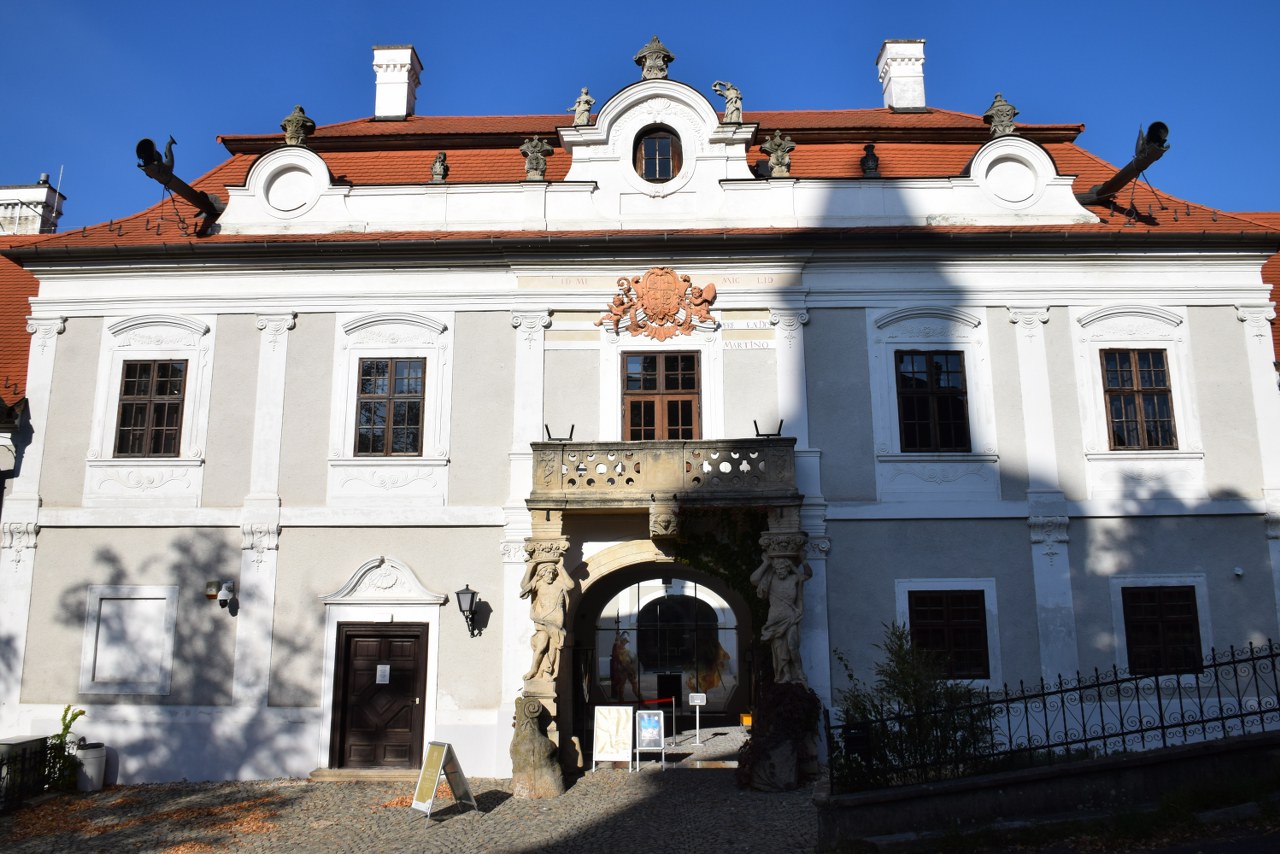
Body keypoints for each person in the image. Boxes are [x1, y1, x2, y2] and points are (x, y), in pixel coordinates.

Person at [750, 554, 812, 684]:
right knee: (779, 649)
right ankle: (786, 674)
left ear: (788, 568)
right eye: (777, 569)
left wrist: (802, 561)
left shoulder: (794, 578)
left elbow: (807, 575)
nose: (780, 572)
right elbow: (754, 580)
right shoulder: (770, 579)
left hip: (790, 617)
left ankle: (799, 672)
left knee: (792, 645)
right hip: (775, 619)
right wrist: (766, 563)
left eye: (782, 569)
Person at [521, 559, 571, 681]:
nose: (551, 575)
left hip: (557, 621)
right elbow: (524, 588)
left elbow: (571, 585)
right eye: (548, 572)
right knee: (542, 643)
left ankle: (547, 671)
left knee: (553, 647)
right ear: (542, 574)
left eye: (553, 573)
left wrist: (561, 568)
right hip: (543, 620)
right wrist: (530, 567)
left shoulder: (559, 584)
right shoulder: (539, 584)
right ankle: (534, 669)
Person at [610, 631, 642, 701]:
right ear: (622, 640)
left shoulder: (624, 650)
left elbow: (629, 662)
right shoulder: (618, 648)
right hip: (623, 670)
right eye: (625, 641)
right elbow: (616, 643)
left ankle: (640, 699)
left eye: (626, 642)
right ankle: (621, 699)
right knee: (622, 685)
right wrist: (618, 635)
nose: (625, 643)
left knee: (632, 684)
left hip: (627, 669)